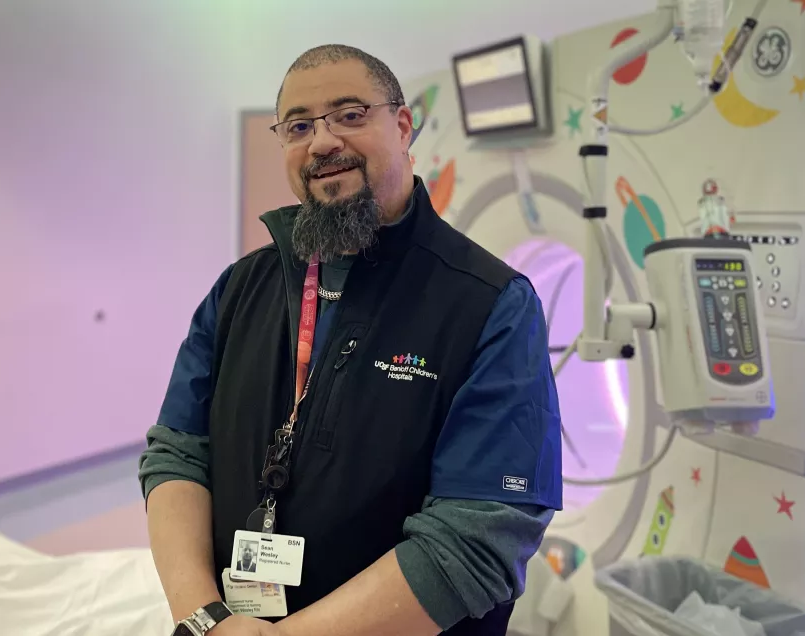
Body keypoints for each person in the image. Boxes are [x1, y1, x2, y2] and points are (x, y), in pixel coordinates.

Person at [139, 44, 563, 636]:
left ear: (403, 124)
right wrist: (204, 618)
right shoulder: (239, 290)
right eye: (299, 126)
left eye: (350, 115)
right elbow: (177, 453)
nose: (322, 142)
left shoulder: (490, 303)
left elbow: (477, 534)